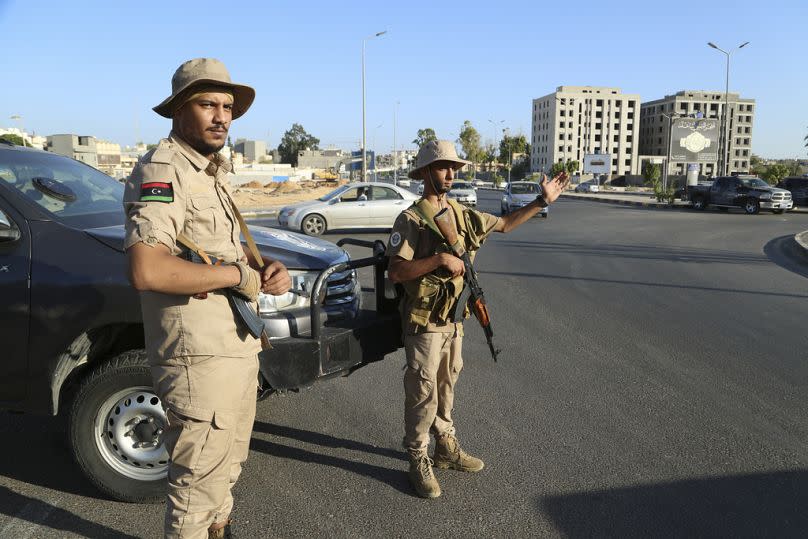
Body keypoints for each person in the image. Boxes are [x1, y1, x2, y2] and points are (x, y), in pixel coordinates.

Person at [123, 58, 291, 538]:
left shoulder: (210, 172)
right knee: (195, 493)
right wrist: (238, 274)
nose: (222, 116)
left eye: (228, 107)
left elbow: (219, 250)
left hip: (236, 346)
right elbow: (146, 268)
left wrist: (262, 269)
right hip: (198, 359)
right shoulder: (163, 170)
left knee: (225, 472)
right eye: (207, 104)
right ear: (179, 109)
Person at [386, 140, 568, 498]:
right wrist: (438, 261)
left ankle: (445, 447)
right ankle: (417, 457)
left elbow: (505, 225)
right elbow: (396, 272)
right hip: (424, 323)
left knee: (447, 385)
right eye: (442, 167)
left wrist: (541, 201)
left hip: (454, 320)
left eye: (454, 167)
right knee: (423, 391)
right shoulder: (410, 219)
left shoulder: (462, 213)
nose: (451, 174)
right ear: (425, 172)